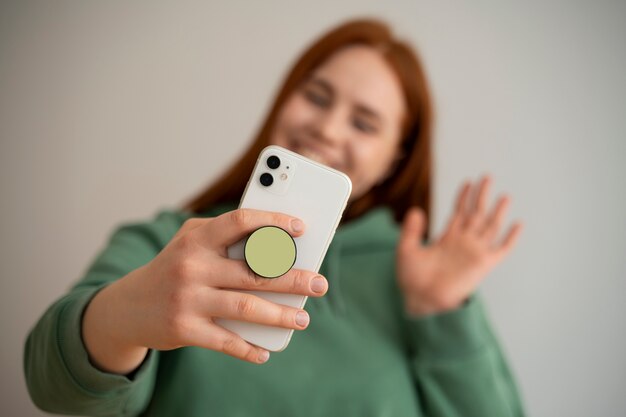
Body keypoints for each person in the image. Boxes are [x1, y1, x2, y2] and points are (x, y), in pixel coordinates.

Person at [24, 18, 525, 416]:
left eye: (364, 123)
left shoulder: (423, 281)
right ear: (284, 98)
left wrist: (439, 311)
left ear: (395, 158)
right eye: (316, 96)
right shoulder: (172, 246)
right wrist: (128, 314)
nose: (327, 128)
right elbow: (50, 385)